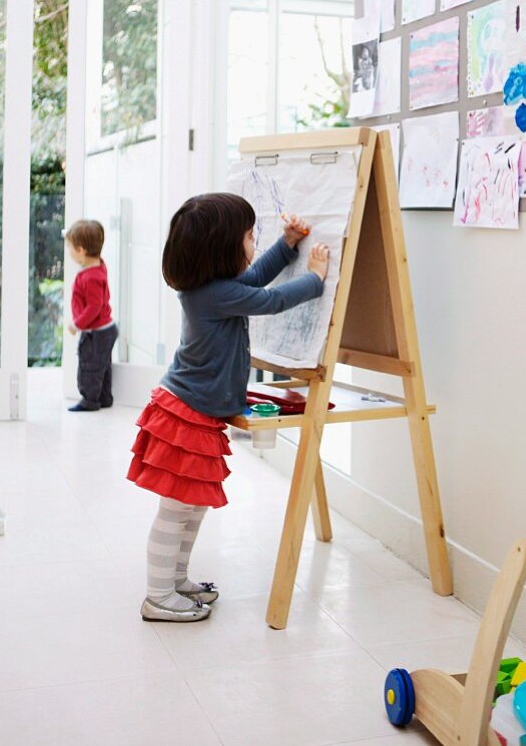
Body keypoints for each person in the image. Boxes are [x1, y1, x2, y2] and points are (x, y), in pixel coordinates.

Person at [127, 192, 329, 623]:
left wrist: (287, 245)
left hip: (195, 410)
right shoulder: (213, 295)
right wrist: (314, 279)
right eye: (250, 235)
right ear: (223, 248)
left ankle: (175, 581)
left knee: (192, 504)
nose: (254, 240)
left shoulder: (215, 289)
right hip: (187, 413)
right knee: (177, 508)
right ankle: (158, 595)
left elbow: (254, 279)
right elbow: (270, 300)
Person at [65, 219, 118, 413]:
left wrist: (76, 324)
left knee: (90, 366)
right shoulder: (98, 267)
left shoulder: (92, 277)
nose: (69, 251)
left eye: (70, 248)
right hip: (105, 330)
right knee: (102, 365)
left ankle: (90, 400)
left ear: (81, 251)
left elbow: (94, 306)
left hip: (97, 332)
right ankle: (104, 398)